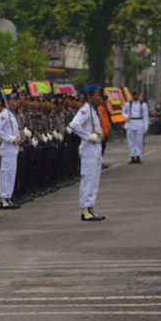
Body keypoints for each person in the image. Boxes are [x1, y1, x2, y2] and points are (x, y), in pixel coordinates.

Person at [68, 85, 106, 221]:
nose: (100, 97)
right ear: (90, 96)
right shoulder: (85, 110)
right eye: (97, 95)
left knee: (94, 180)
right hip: (89, 150)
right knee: (88, 180)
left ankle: (90, 208)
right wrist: (88, 136)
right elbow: (74, 125)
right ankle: (85, 210)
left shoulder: (93, 111)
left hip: (95, 150)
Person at [0, 94, 23, 209]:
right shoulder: (4, 114)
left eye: (15, 101)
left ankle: (8, 197)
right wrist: (9, 138)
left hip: (13, 148)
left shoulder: (11, 114)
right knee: (5, 173)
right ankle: (3, 198)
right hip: (7, 147)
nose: (15, 103)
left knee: (11, 174)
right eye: (12, 101)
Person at [123, 91, 149, 164]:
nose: (135, 97)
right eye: (134, 95)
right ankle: (132, 156)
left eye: (137, 95)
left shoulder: (143, 105)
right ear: (132, 96)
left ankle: (138, 156)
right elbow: (123, 112)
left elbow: (145, 116)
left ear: (139, 96)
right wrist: (126, 117)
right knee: (130, 141)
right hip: (130, 123)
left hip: (139, 122)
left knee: (139, 141)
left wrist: (145, 127)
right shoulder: (128, 104)